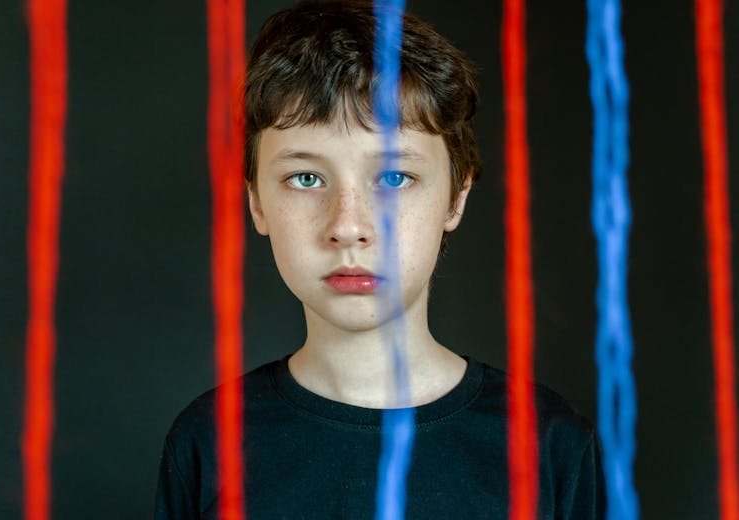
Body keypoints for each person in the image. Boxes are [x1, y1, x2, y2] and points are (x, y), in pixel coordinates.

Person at [155, 1, 605, 518]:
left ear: (455, 199)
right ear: (257, 200)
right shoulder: (208, 441)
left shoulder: (550, 446)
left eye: (394, 177)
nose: (348, 225)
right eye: (306, 178)